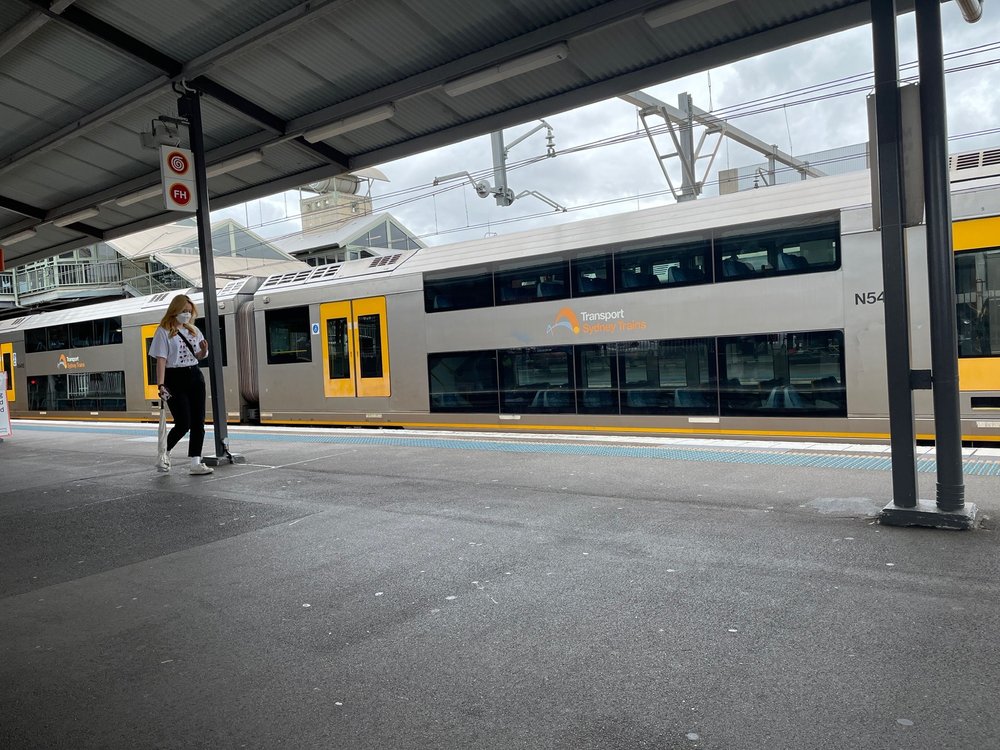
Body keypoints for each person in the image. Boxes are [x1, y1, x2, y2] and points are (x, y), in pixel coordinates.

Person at [148, 294, 214, 475]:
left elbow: (198, 357)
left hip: (194, 375)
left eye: (189, 311)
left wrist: (204, 350)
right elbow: (161, 360)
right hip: (174, 378)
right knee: (183, 422)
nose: (187, 314)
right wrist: (160, 385)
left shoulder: (192, 330)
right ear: (174, 311)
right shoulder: (163, 331)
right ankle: (164, 453)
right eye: (183, 311)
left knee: (198, 422)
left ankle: (195, 461)